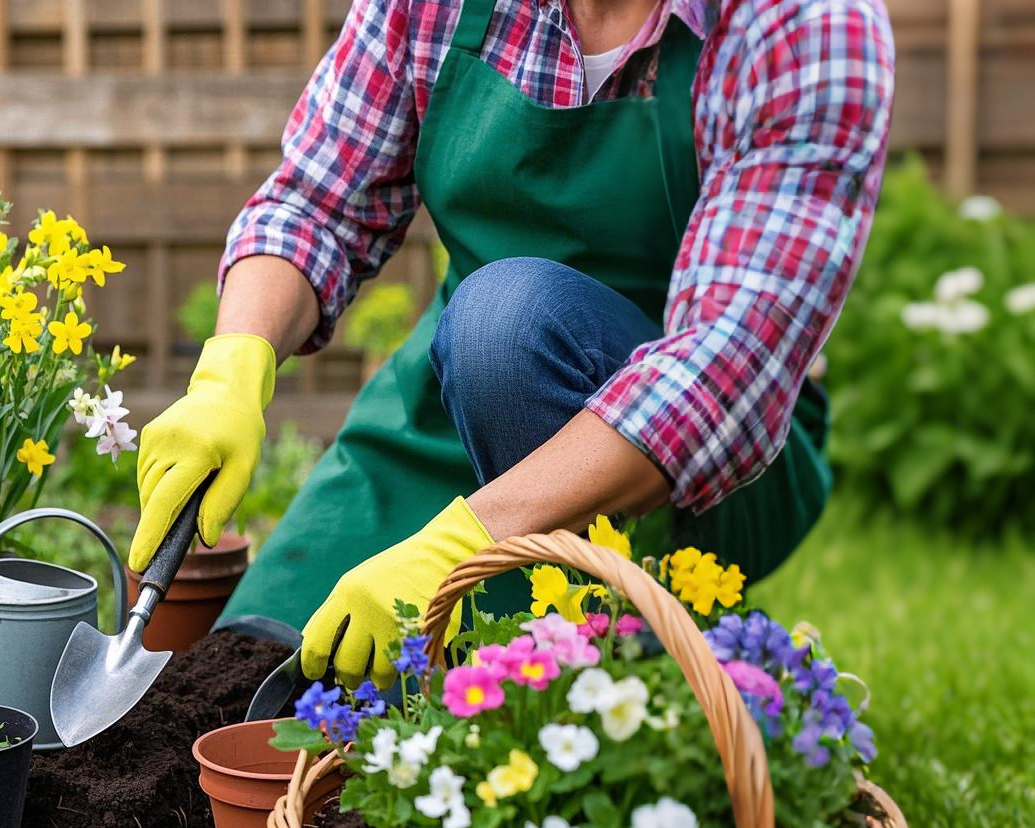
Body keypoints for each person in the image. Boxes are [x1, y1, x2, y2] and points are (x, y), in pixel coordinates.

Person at [127, 0, 894, 687]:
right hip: (455, 394)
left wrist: (468, 546)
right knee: (261, 675)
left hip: (704, 469)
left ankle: (641, 661)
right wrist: (232, 369)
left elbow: (726, 371)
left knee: (508, 321)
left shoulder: (802, 23)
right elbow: (318, 204)